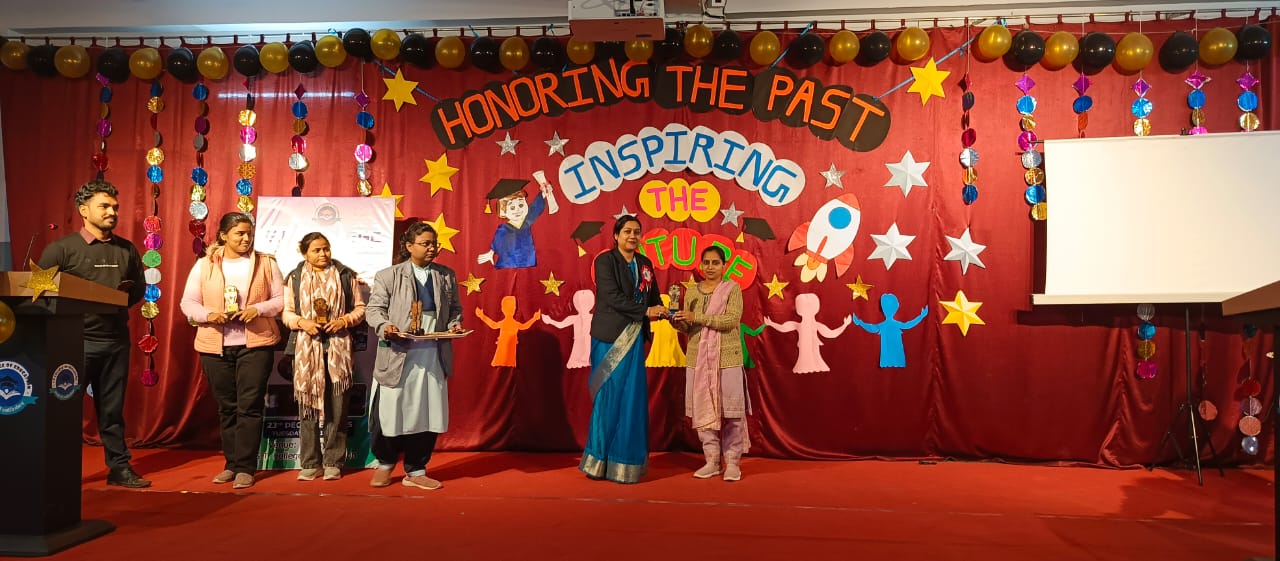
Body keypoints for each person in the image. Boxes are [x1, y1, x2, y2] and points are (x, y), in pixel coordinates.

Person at [37, 179, 149, 488]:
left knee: (111, 411)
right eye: (104, 206)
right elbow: (37, 292)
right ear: (83, 210)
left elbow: (137, 291)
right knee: (63, 409)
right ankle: (57, 472)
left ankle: (119, 468)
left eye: (115, 207)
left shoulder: (127, 249)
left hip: (116, 342)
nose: (112, 212)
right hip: (73, 343)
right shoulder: (60, 249)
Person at [180, 212, 284, 489]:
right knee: (227, 408)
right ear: (223, 235)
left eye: (249, 233)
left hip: (255, 345)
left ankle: (246, 468)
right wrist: (209, 315)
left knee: (250, 406)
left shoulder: (266, 263)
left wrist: (257, 309)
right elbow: (188, 303)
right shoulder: (204, 265)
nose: (246, 238)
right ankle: (231, 464)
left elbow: (280, 300)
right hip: (214, 346)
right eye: (239, 233)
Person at [365, 222, 464, 491]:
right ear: (409, 246)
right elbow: (374, 310)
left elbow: (455, 309)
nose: (432, 248)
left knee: (427, 411)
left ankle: (417, 469)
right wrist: (386, 326)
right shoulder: (388, 275)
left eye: (434, 244)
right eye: (425, 243)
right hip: (398, 353)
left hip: (432, 353)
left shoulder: (446, 275)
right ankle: (385, 463)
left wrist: (454, 324)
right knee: (390, 410)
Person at [581, 215, 665, 484]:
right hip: (609, 338)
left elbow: (653, 296)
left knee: (632, 398)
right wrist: (646, 311)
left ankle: (625, 462)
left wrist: (667, 311)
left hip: (635, 338)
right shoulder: (605, 261)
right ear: (616, 235)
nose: (632, 236)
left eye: (637, 232)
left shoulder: (645, 264)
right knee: (608, 395)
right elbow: (611, 297)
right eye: (627, 231)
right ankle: (598, 462)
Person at [281, 233, 366, 481]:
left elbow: (360, 309)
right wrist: (302, 323)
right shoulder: (294, 277)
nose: (322, 254)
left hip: (338, 349)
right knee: (307, 406)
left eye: (326, 249)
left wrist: (343, 321)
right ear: (304, 253)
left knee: (337, 409)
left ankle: (333, 461)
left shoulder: (345, 275)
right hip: (306, 350)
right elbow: (286, 313)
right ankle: (310, 462)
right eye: (316, 250)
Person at [672, 246, 749, 481]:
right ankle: (712, 461)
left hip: (727, 357)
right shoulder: (692, 291)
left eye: (715, 263)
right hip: (698, 359)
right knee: (703, 409)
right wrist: (676, 320)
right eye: (706, 262)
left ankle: (732, 462)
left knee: (732, 413)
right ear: (701, 265)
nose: (710, 267)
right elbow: (689, 328)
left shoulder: (732, 289)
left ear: (724, 266)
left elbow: (731, 320)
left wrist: (697, 317)